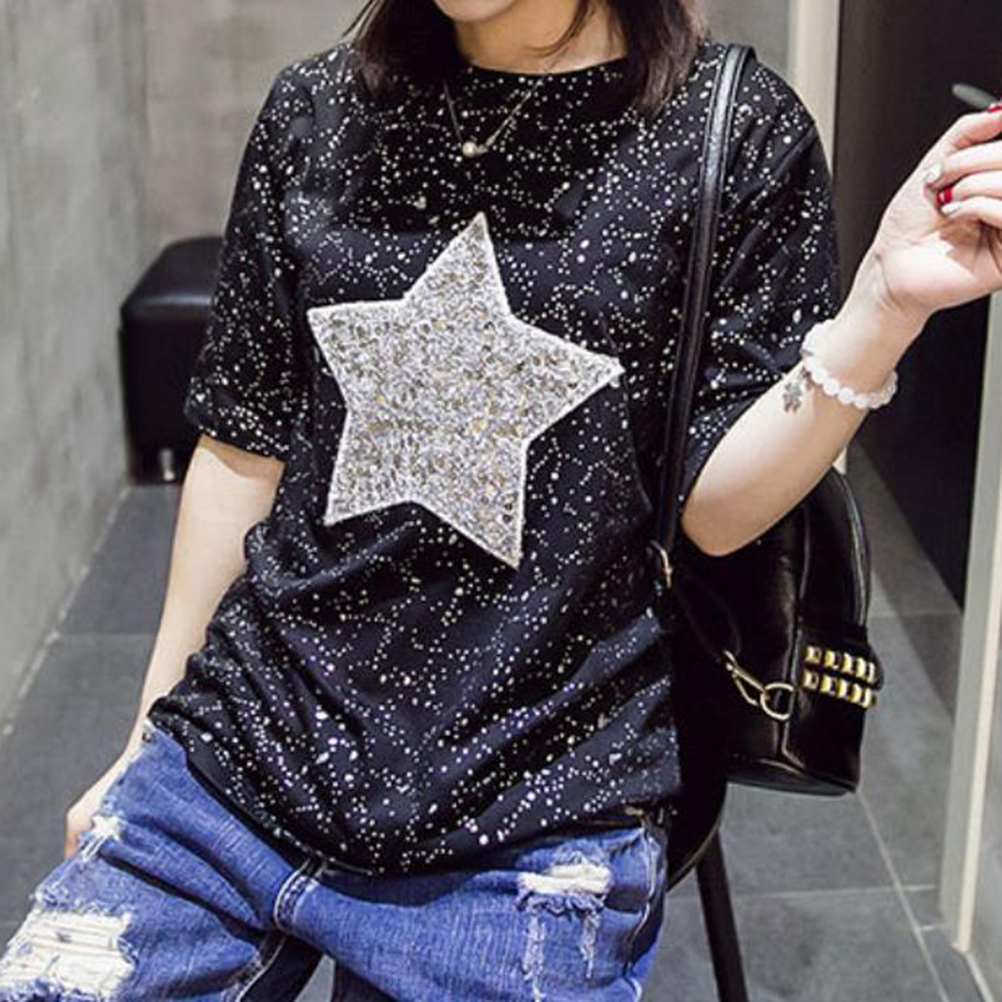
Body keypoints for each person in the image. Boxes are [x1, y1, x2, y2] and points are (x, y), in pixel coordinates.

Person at [2, 0, 1002, 997]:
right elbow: (241, 447)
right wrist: (145, 740)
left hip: (534, 809)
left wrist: (883, 307)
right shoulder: (316, 108)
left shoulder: (732, 127)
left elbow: (718, 511)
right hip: (241, 756)